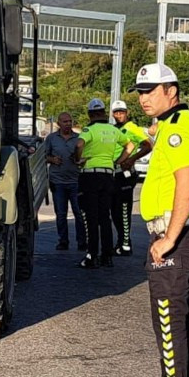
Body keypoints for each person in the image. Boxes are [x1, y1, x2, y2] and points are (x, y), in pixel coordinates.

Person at [128, 62, 189, 377]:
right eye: (141, 92)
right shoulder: (179, 126)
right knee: (178, 319)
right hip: (188, 232)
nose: (144, 98)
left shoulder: (178, 129)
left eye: (151, 90)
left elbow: (188, 184)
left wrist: (168, 239)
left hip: (180, 234)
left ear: (172, 91)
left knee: (167, 320)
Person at [73, 98, 131, 269]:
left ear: (90, 114)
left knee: (91, 217)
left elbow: (78, 144)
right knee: (105, 217)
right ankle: (107, 256)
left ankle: (92, 256)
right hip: (108, 176)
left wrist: (78, 159)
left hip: (90, 176)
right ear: (104, 113)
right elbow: (130, 144)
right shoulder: (113, 130)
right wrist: (119, 161)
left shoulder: (89, 130)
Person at [110, 100, 153, 256]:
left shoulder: (132, 128)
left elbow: (148, 145)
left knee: (123, 209)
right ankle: (120, 241)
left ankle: (126, 244)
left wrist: (132, 159)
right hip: (114, 173)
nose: (119, 115)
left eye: (122, 112)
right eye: (117, 112)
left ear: (127, 112)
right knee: (114, 210)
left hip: (126, 174)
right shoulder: (115, 129)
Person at [42, 112, 86, 253]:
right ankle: (63, 241)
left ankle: (82, 242)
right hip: (58, 182)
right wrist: (52, 160)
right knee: (61, 214)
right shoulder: (51, 138)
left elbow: (85, 156)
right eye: (65, 121)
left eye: (70, 121)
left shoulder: (78, 138)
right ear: (58, 124)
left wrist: (81, 160)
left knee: (79, 213)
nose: (68, 124)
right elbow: (43, 156)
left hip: (76, 181)